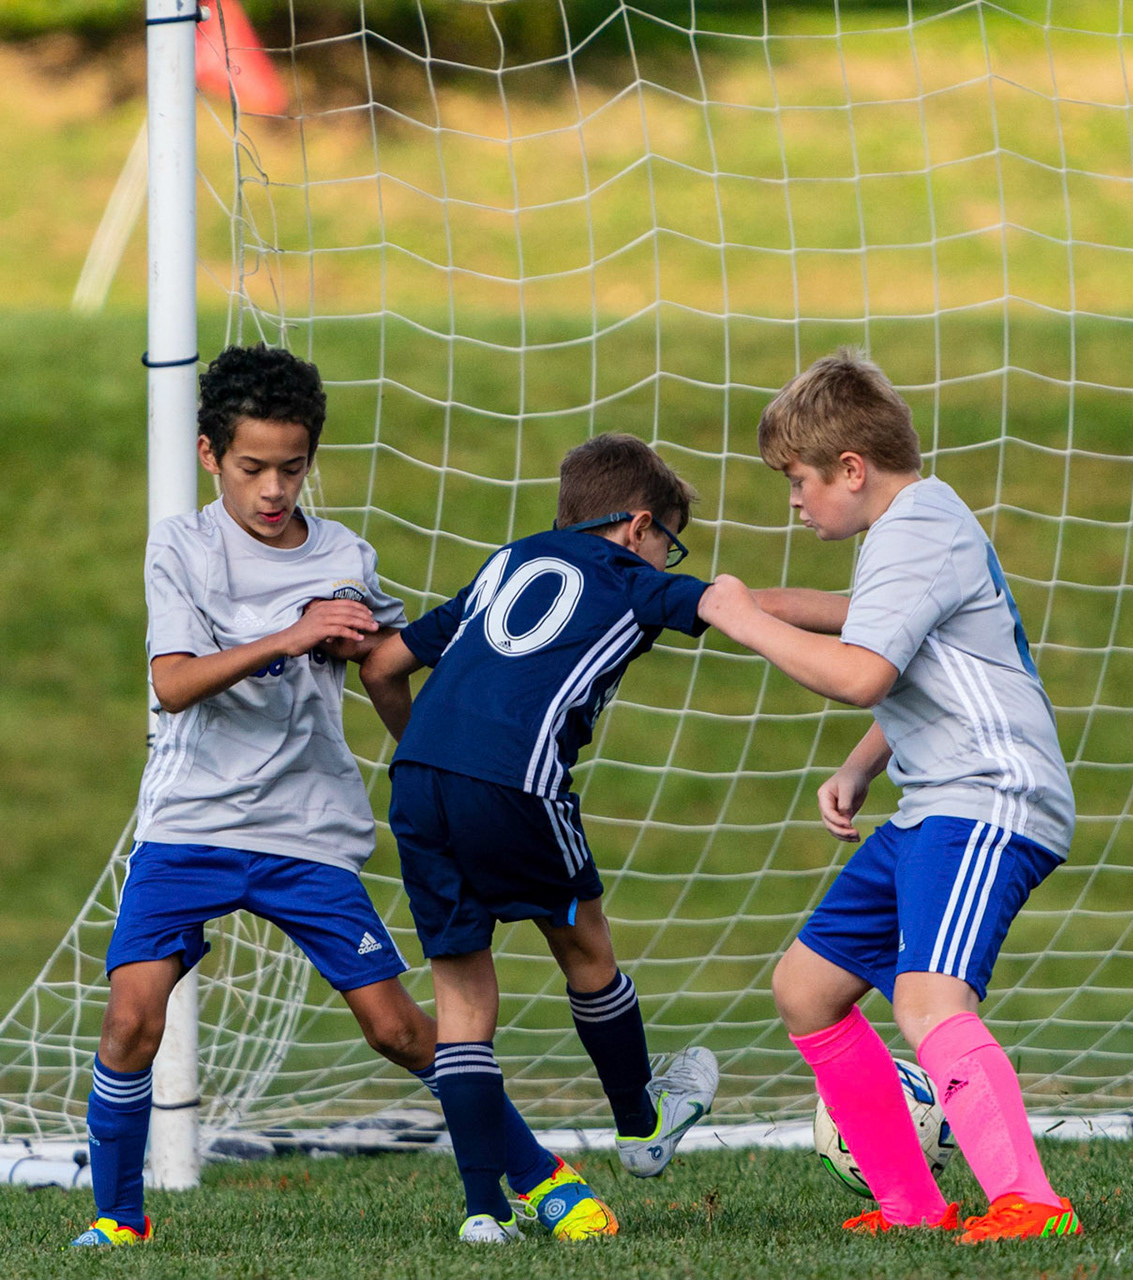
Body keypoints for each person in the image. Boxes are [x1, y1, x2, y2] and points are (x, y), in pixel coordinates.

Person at [71, 345, 550, 1247]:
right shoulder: (180, 544)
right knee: (131, 1021)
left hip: (307, 832)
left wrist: (415, 729)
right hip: (191, 826)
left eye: (292, 467)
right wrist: (292, 635)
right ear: (212, 455)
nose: (272, 489)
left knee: (400, 1031)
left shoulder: (343, 555)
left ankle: (539, 1177)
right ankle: (118, 1220)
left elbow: (384, 669)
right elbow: (173, 683)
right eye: (252, 467)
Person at [694, 348, 1081, 1243]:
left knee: (927, 1001)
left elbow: (867, 672)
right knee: (807, 989)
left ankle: (1033, 1202)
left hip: (990, 799)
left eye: (797, 481)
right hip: (932, 803)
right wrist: (864, 765)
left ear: (852, 469)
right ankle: (913, 1203)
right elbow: (910, 655)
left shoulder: (916, 529)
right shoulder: (908, 530)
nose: (793, 501)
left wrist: (747, 619)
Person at [360, 434, 724, 1244]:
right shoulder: (630, 578)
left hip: (419, 780)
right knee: (585, 947)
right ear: (636, 527)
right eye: (671, 541)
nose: (670, 558)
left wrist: (436, 750)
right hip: (518, 779)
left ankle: (484, 1212)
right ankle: (641, 1122)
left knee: (460, 997)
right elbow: (717, 609)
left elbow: (383, 664)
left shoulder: (508, 560)